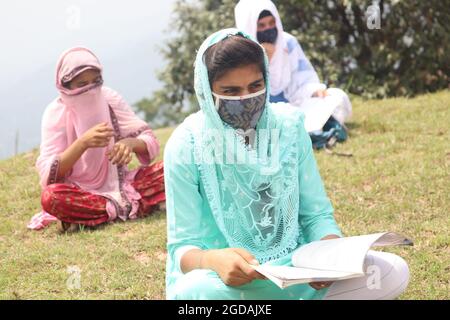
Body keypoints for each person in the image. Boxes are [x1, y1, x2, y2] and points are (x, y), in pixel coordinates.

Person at [164, 29, 409, 300]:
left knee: (390, 271)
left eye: (255, 86)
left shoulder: (290, 127)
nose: (246, 99)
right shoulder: (186, 145)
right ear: (208, 92)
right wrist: (213, 260)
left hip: (296, 270)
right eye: (231, 91)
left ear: (266, 80)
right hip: (229, 284)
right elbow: (183, 249)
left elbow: (317, 217)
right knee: (193, 292)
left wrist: (329, 256)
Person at [28, 47, 165, 232]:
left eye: (95, 81)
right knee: (51, 197)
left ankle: (96, 215)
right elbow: (49, 174)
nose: (90, 89)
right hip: (80, 192)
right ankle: (135, 206)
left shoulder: (109, 99)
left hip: (123, 184)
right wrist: (83, 143)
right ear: (65, 87)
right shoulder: (55, 113)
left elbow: (149, 139)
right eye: (82, 83)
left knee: (174, 168)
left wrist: (130, 144)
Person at [235, 0, 352, 145]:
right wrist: (264, 60)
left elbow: (303, 78)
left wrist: (313, 91)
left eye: (272, 23)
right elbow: (244, 94)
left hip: (292, 103)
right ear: (250, 26)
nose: (269, 29)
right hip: (261, 112)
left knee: (338, 97)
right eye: (262, 25)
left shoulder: (287, 42)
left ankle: (306, 129)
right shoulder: (238, 51)